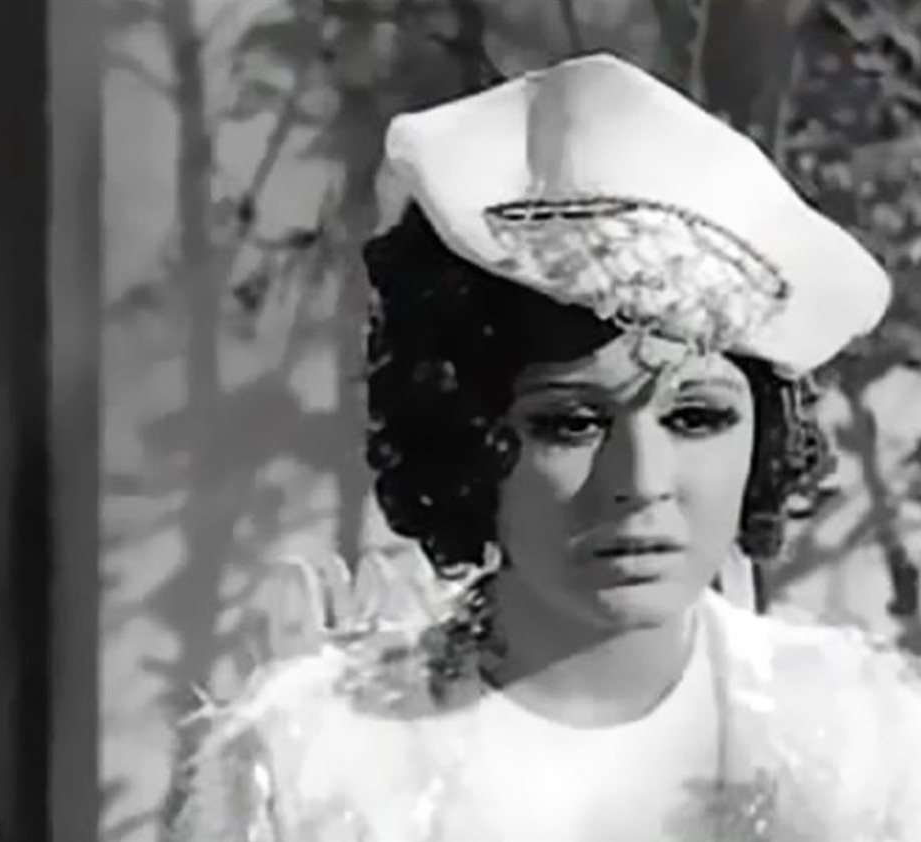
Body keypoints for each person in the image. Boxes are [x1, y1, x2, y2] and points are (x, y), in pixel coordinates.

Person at [165, 54, 921, 841]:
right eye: (572, 423)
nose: (642, 481)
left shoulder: (868, 749)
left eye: (697, 418)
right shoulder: (310, 766)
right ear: (467, 435)